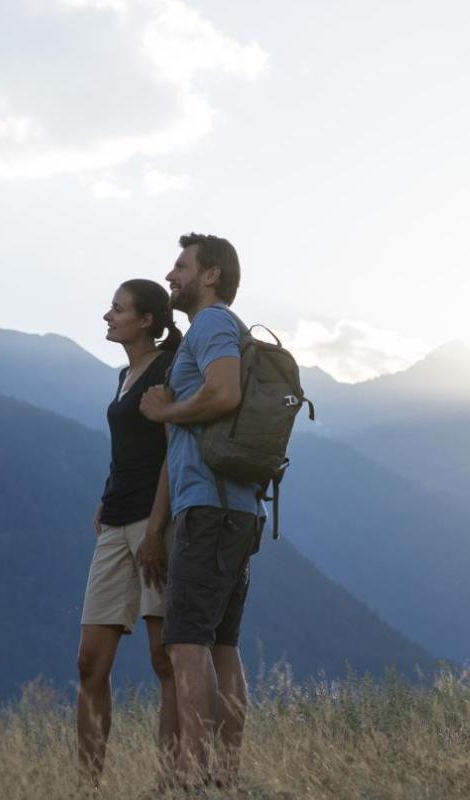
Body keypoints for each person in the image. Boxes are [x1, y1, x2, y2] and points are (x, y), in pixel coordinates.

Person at [138, 232, 264, 788]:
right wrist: (159, 524)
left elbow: (224, 394)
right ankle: (225, 778)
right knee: (222, 646)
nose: (171, 275)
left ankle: (195, 776)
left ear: (210, 275)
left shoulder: (212, 325)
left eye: (180, 266)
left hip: (211, 509)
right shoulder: (217, 329)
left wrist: (165, 411)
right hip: (231, 507)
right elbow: (195, 426)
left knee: (188, 643)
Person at [76, 278, 182, 786]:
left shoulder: (166, 370)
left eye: (117, 309)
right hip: (115, 522)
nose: (107, 316)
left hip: (151, 523)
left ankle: (169, 782)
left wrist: (157, 531)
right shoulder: (124, 373)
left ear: (145, 320)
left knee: (165, 661)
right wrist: (106, 493)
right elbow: (128, 449)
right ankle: (88, 786)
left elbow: (171, 455)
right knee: (89, 664)